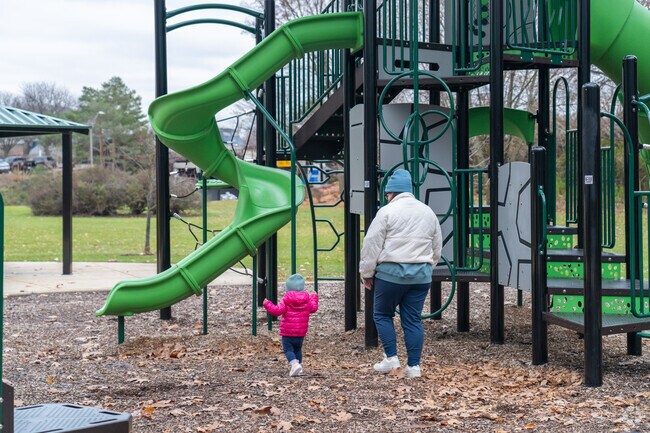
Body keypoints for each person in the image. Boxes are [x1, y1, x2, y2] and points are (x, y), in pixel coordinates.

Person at [359, 169, 442, 378]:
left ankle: (391, 358)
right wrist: (427, 267)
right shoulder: (428, 212)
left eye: (387, 194)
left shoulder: (386, 212)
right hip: (421, 275)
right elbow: (437, 246)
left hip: (390, 275)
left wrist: (366, 274)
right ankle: (414, 367)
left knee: (382, 314)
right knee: (413, 319)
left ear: (391, 193)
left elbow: (371, 244)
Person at [264, 274, 319, 377]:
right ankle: (300, 366)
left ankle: (294, 365)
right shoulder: (306, 301)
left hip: (288, 332)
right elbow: (314, 308)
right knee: (298, 349)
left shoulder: (286, 300)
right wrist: (314, 297)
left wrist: (267, 304)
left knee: (288, 350)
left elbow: (276, 311)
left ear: (287, 288)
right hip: (301, 332)